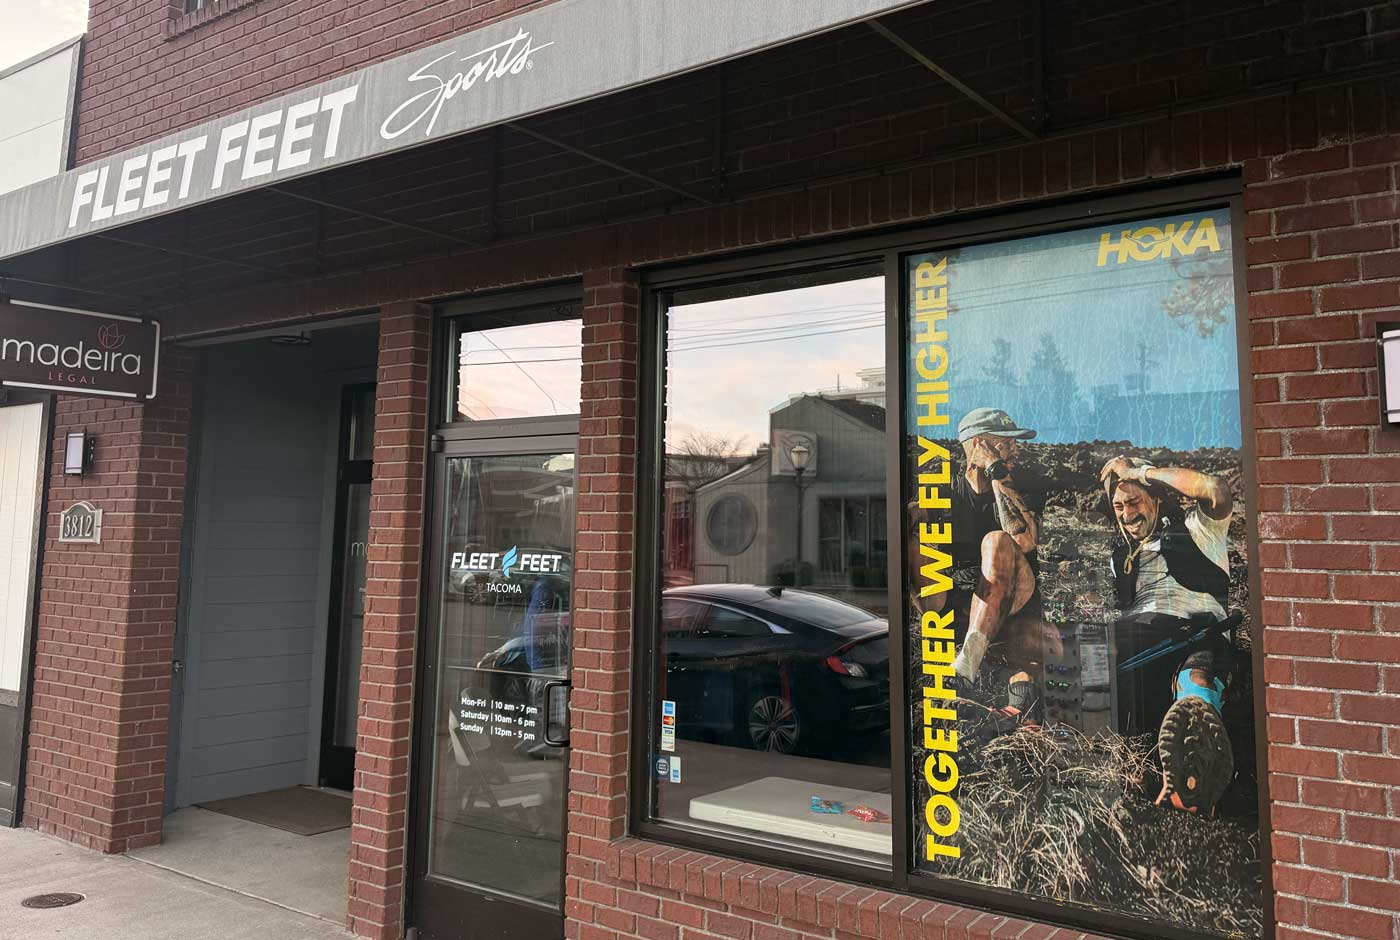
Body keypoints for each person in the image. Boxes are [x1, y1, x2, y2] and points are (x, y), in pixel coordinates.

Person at [1100, 455, 1236, 812]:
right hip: (1141, 639)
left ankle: (1193, 774)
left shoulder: (1198, 529)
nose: (1127, 514)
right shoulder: (1119, 560)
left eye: (1134, 501)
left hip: (1198, 630)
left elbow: (1216, 489)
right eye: (1119, 506)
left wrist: (1139, 473)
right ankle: (1130, 770)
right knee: (1088, 658)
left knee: (1195, 678)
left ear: (1157, 499)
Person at [919, 407, 1050, 733]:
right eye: (1006, 443)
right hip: (963, 603)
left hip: (1016, 597)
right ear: (979, 444)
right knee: (912, 523)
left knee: (997, 541)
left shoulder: (1017, 485)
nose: (1016, 450)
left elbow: (1024, 539)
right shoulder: (945, 493)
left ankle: (967, 663)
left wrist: (996, 470)